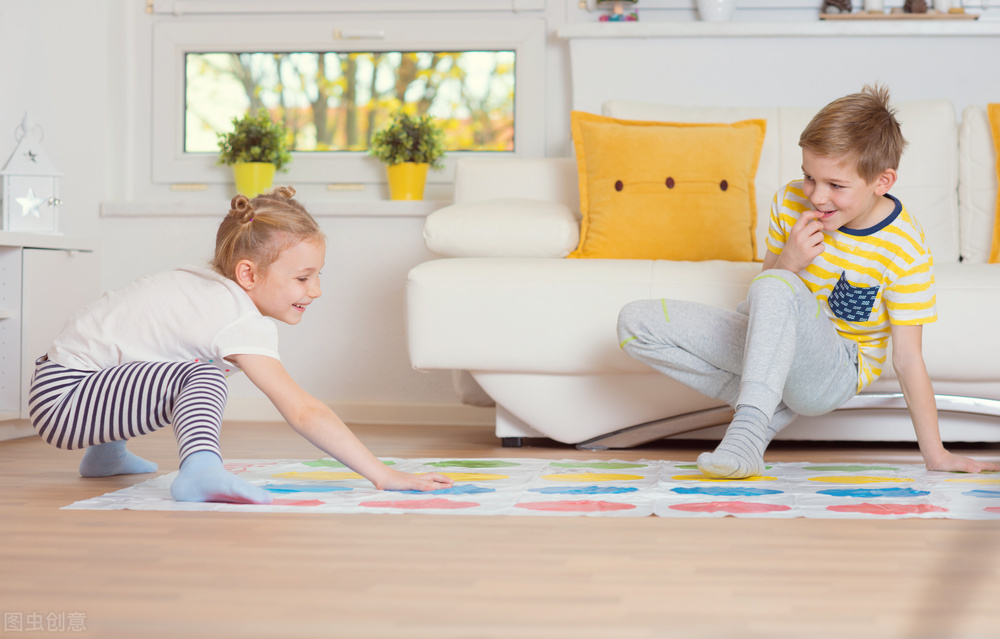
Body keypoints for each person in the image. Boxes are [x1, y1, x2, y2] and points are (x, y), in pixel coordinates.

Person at [617, 84, 999, 479]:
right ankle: (770, 405)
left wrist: (936, 455)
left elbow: (906, 357)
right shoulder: (789, 202)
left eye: (836, 185)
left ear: (882, 182)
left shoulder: (904, 246)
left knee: (777, 285)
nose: (817, 197)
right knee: (635, 323)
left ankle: (746, 432)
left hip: (835, 371)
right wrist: (790, 260)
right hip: (770, 346)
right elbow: (765, 296)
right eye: (809, 177)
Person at [27, 186, 454, 503]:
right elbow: (304, 410)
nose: (316, 290)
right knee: (202, 371)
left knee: (168, 355)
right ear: (248, 275)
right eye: (304, 277)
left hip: (63, 387)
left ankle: (105, 457)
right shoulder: (235, 316)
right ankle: (200, 469)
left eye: (318, 275)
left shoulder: (206, 289)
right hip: (67, 402)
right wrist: (380, 474)